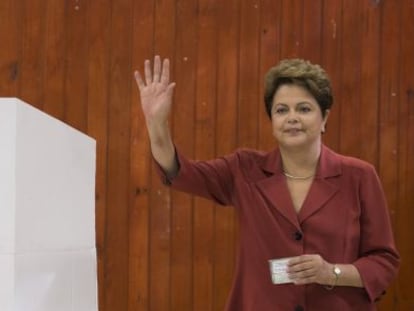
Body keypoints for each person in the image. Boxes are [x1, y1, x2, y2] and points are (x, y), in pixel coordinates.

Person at [134, 56, 400, 311]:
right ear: (272, 120)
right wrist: (157, 125)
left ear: (325, 118)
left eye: (304, 109)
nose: (292, 117)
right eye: (281, 110)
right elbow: (182, 173)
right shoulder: (244, 169)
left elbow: (384, 261)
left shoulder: (359, 176)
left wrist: (331, 272)